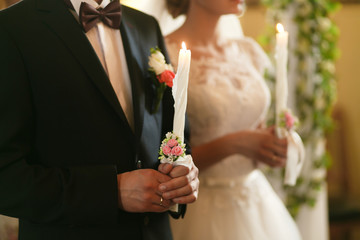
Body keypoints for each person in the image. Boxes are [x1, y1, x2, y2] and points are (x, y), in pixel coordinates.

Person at [0, 0, 199, 239]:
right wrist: (111, 192)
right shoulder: (11, 29)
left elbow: (174, 131)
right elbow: (6, 177)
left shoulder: (146, 26)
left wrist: (182, 174)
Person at [161, 0, 302, 239]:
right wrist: (238, 143)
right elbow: (166, 159)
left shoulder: (248, 51)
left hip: (255, 200)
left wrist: (270, 145)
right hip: (199, 208)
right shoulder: (165, 55)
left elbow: (252, 125)